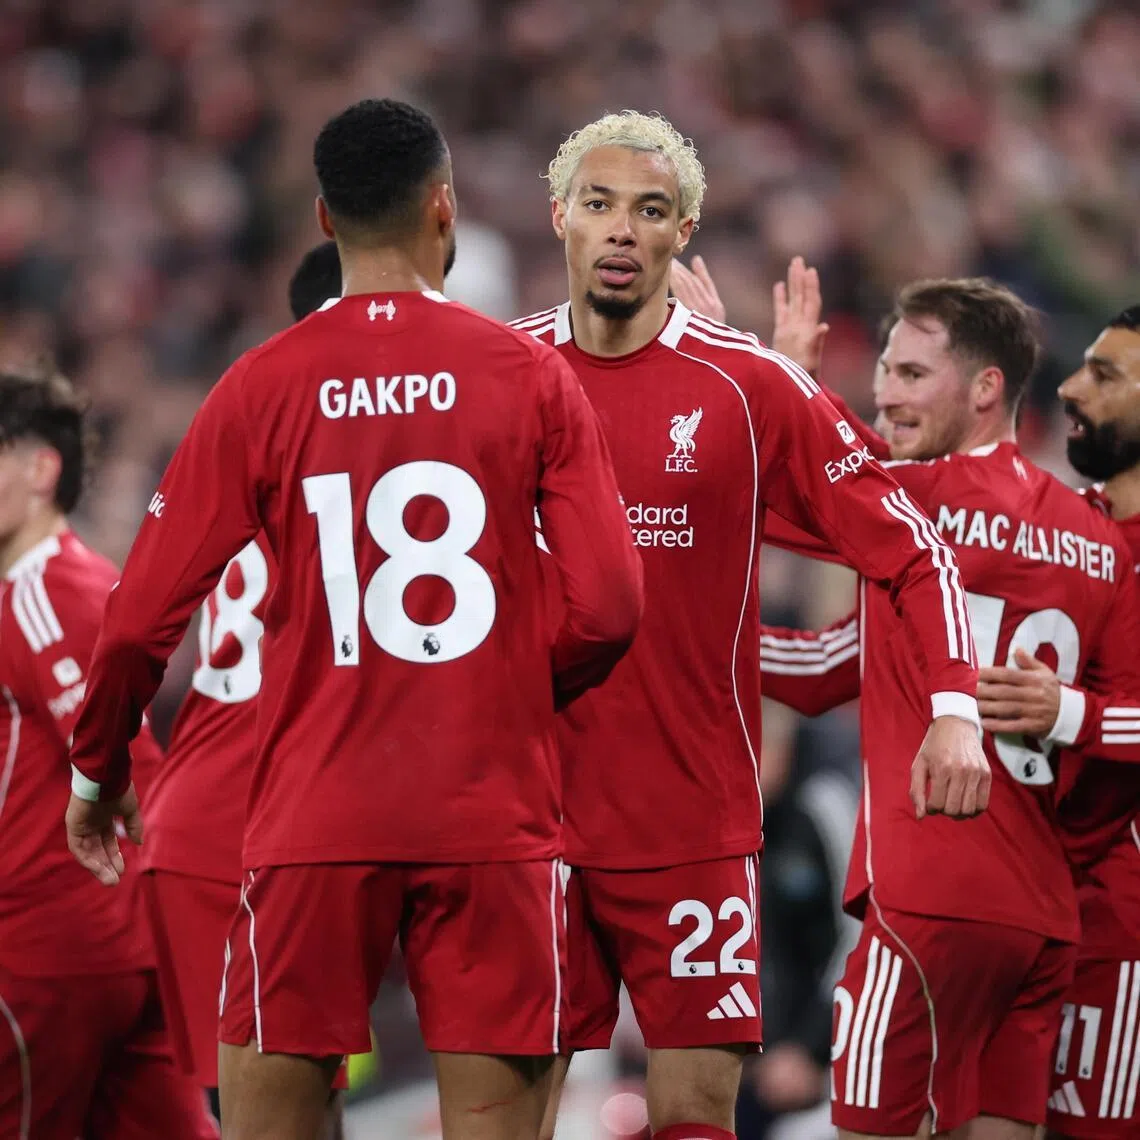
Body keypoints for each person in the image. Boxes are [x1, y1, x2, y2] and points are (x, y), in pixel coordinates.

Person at [65, 97, 644, 1140]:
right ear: (443, 207)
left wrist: (97, 770)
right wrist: (504, 685)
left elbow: (140, 619)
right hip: (490, 814)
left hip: (314, 818)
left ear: (326, 221)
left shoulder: (260, 386)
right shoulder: (529, 375)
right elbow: (609, 607)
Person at [512, 110, 988, 1140]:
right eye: (599, 204)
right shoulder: (498, 378)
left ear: (683, 230)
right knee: (508, 1118)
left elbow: (913, 545)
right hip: (528, 817)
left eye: (651, 210)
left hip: (691, 823)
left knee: (694, 1117)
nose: (622, 229)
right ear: (559, 216)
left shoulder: (749, 386)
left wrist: (955, 708)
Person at [711, 267, 1140, 1140]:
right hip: (1042, 918)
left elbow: (759, 494)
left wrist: (770, 379)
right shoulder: (1099, 537)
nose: (886, 397)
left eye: (910, 374)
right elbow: (835, 665)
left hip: (928, 891)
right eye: (883, 375)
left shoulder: (909, 505)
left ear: (985, 389)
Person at [139, 243, 344, 1129]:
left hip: (238, 818)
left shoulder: (261, 437)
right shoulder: (345, 460)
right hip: (241, 827)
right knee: (267, 1114)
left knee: (297, 1105)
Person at [0, 361, 218, 1140]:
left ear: (40, 470)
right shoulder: (86, 580)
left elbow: (120, 762)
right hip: (125, 945)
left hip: (47, 951)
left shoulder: (40, 596)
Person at [973, 307, 1140, 1140]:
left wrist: (1067, 712)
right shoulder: (1066, 528)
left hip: (1120, 923)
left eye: (1105, 375)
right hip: (1023, 907)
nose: (1071, 387)